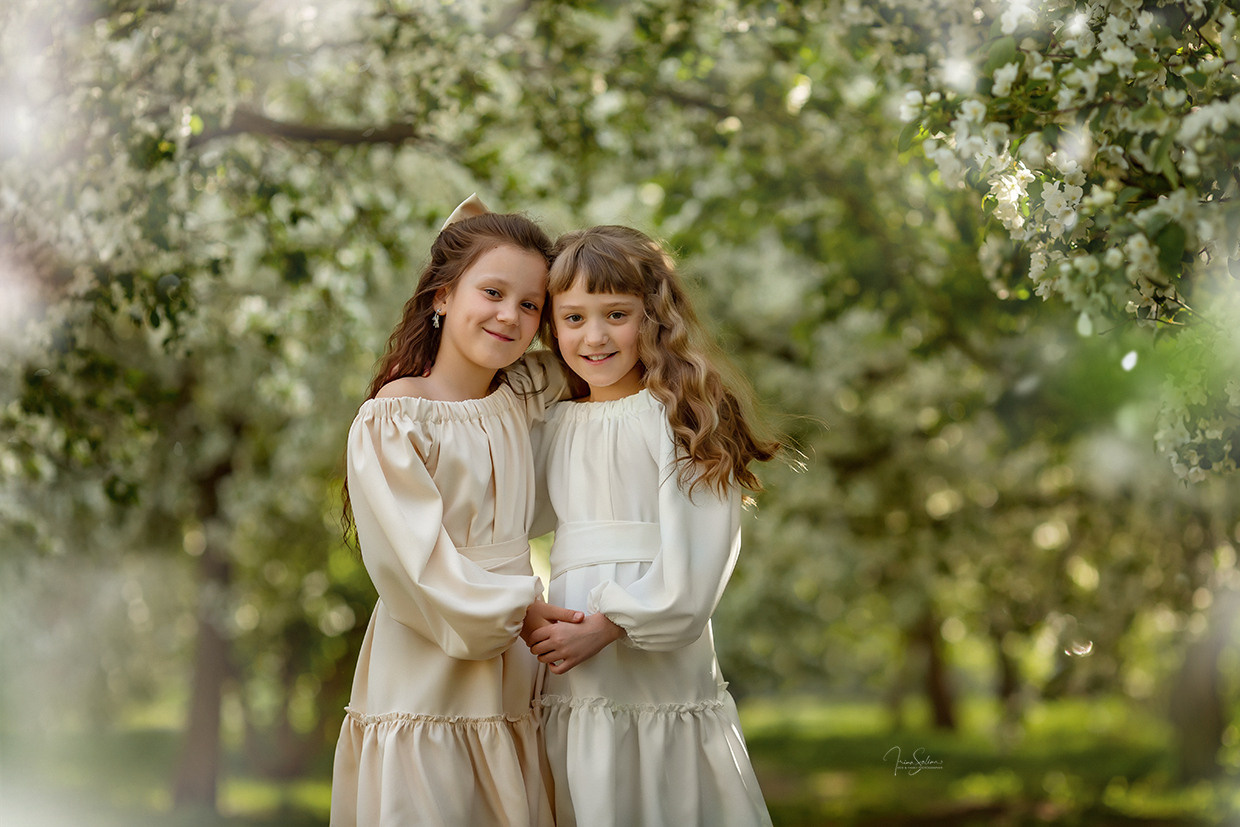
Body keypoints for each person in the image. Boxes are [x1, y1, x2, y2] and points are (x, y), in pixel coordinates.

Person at [331, 195, 582, 827]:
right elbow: (413, 561)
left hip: (517, 659)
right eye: (492, 292)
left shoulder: (526, 391)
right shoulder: (398, 416)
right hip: (432, 648)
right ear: (442, 297)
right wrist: (520, 611)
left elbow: (607, 351)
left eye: (530, 305)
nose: (510, 315)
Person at [527, 225, 779, 826]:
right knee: (588, 783)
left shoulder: (680, 415)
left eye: (617, 313)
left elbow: (700, 550)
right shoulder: (551, 422)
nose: (594, 336)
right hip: (568, 652)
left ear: (654, 317)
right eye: (574, 317)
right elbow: (514, 518)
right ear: (552, 327)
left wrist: (614, 622)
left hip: (650, 645)